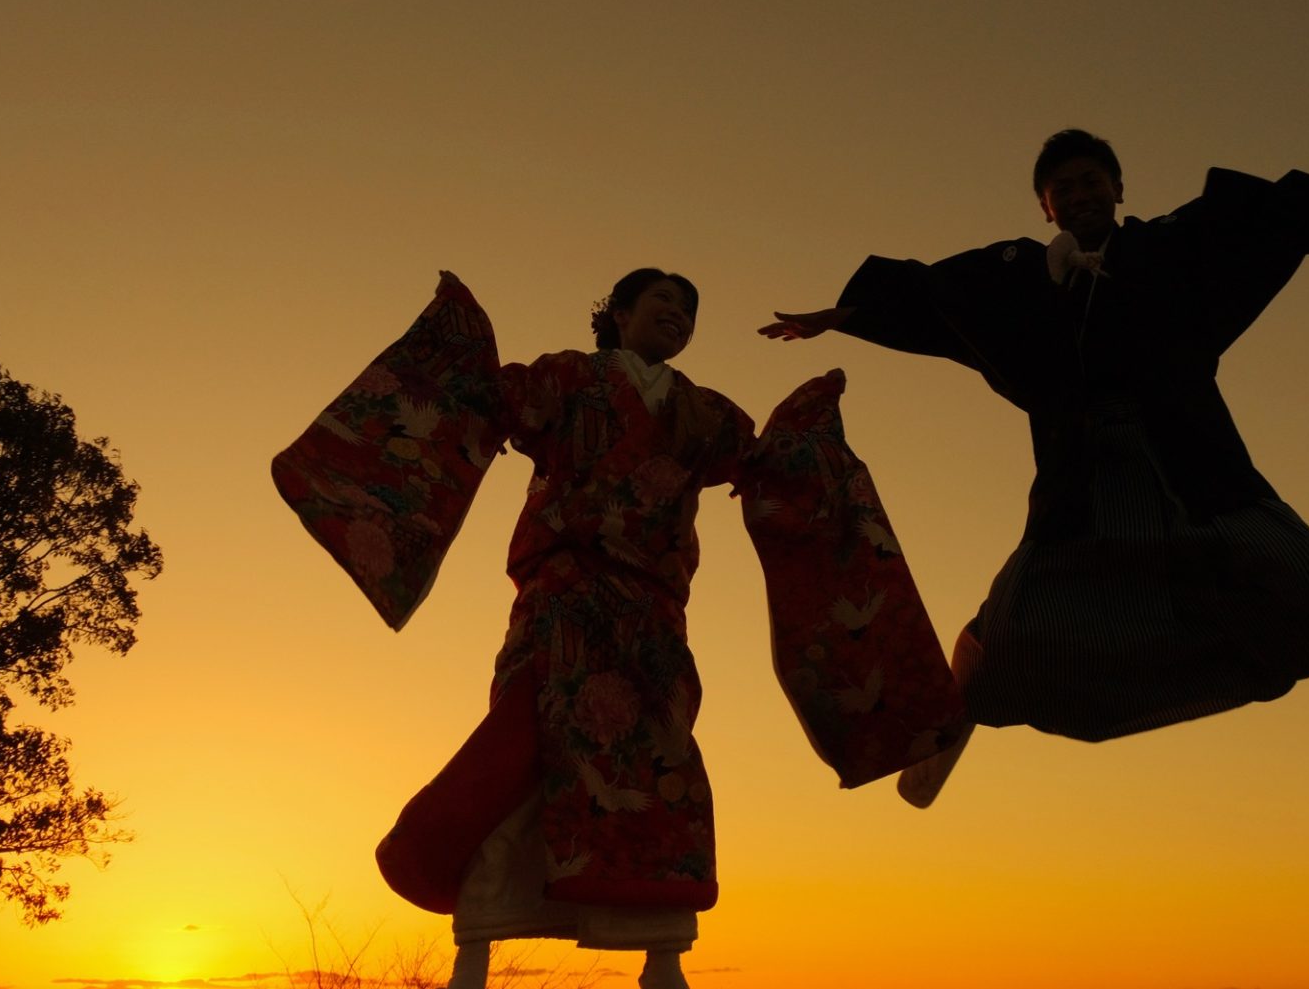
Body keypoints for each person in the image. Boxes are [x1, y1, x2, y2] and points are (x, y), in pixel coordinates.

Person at [274, 269, 961, 988]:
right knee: (523, 762)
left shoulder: (702, 412)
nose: (679, 314)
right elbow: (487, 397)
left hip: (654, 616)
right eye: (663, 300)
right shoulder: (569, 379)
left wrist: (809, 429)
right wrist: (458, 346)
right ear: (620, 313)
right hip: (564, 601)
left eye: (689, 309)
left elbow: (766, 467)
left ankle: (663, 960)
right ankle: (472, 953)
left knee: (665, 775)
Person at [761, 129, 1309, 806]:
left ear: (1119, 188)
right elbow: (933, 297)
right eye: (1063, 186)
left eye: (1092, 180)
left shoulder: (1170, 247)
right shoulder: (1020, 276)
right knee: (1015, 632)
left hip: (1190, 458)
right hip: (1083, 478)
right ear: (1045, 206)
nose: (1079, 193)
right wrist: (839, 315)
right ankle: (948, 733)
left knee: (1302, 571)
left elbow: (1263, 219)